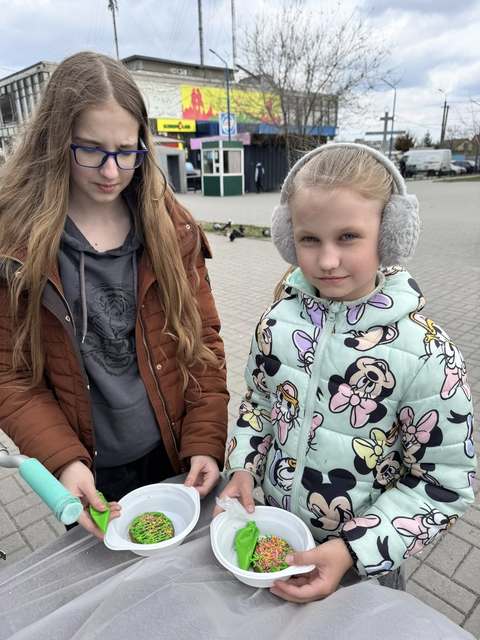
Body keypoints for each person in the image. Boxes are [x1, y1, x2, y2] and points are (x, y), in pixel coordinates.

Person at [216, 142, 476, 602]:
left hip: (362, 571)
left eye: (349, 236)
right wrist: (243, 468)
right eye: (309, 239)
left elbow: (442, 485)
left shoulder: (427, 355)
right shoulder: (276, 325)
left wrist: (354, 551)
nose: (327, 260)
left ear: (389, 235)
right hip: (277, 537)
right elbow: (259, 404)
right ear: (288, 237)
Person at [0, 51, 229, 539]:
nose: (111, 170)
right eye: (91, 150)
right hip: (86, 469)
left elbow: (203, 341)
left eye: (126, 151)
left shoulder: (172, 228)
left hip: (175, 452)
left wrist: (206, 440)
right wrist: (62, 462)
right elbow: (10, 375)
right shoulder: (14, 244)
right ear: (55, 141)